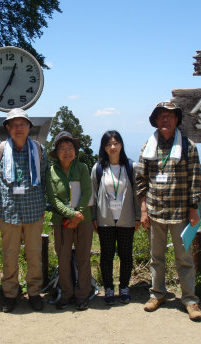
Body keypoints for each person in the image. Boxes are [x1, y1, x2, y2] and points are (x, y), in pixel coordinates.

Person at [135, 101, 201, 321]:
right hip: (155, 213)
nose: (166, 120)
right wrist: (144, 209)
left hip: (181, 214)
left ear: (177, 121)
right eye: (162, 116)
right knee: (156, 257)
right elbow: (141, 179)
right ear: (155, 120)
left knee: (184, 259)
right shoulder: (149, 145)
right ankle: (157, 294)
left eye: (171, 116)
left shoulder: (188, 145)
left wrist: (194, 208)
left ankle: (190, 300)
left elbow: (195, 178)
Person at [0, 108, 48, 313]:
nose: (19, 128)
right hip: (9, 212)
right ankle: (10, 294)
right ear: (8, 128)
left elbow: (44, 179)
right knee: (9, 255)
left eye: (22, 124)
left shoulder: (39, 150)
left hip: (34, 211)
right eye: (14, 125)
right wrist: (4, 201)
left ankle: (34, 293)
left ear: (29, 127)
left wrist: (42, 206)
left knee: (34, 255)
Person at [90, 130, 140, 305]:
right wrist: (93, 217)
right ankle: (109, 289)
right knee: (107, 256)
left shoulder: (131, 167)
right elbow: (93, 196)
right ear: (104, 147)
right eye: (109, 144)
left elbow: (137, 194)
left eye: (116, 143)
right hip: (105, 219)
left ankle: (124, 288)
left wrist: (138, 216)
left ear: (121, 145)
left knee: (126, 255)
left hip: (126, 218)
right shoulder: (98, 169)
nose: (112, 147)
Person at [46, 131, 93, 311]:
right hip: (61, 221)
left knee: (83, 257)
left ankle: (82, 295)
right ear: (57, 152)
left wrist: (78, 214)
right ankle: (66, 294)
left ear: (75, 151)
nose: (67, 152)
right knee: (63, 258)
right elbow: (53, 198)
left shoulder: (82, 167)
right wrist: (70, 214)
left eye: (71, 148)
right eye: (63, 148)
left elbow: (87, 192)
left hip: (84, 220)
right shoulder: (50, 171)